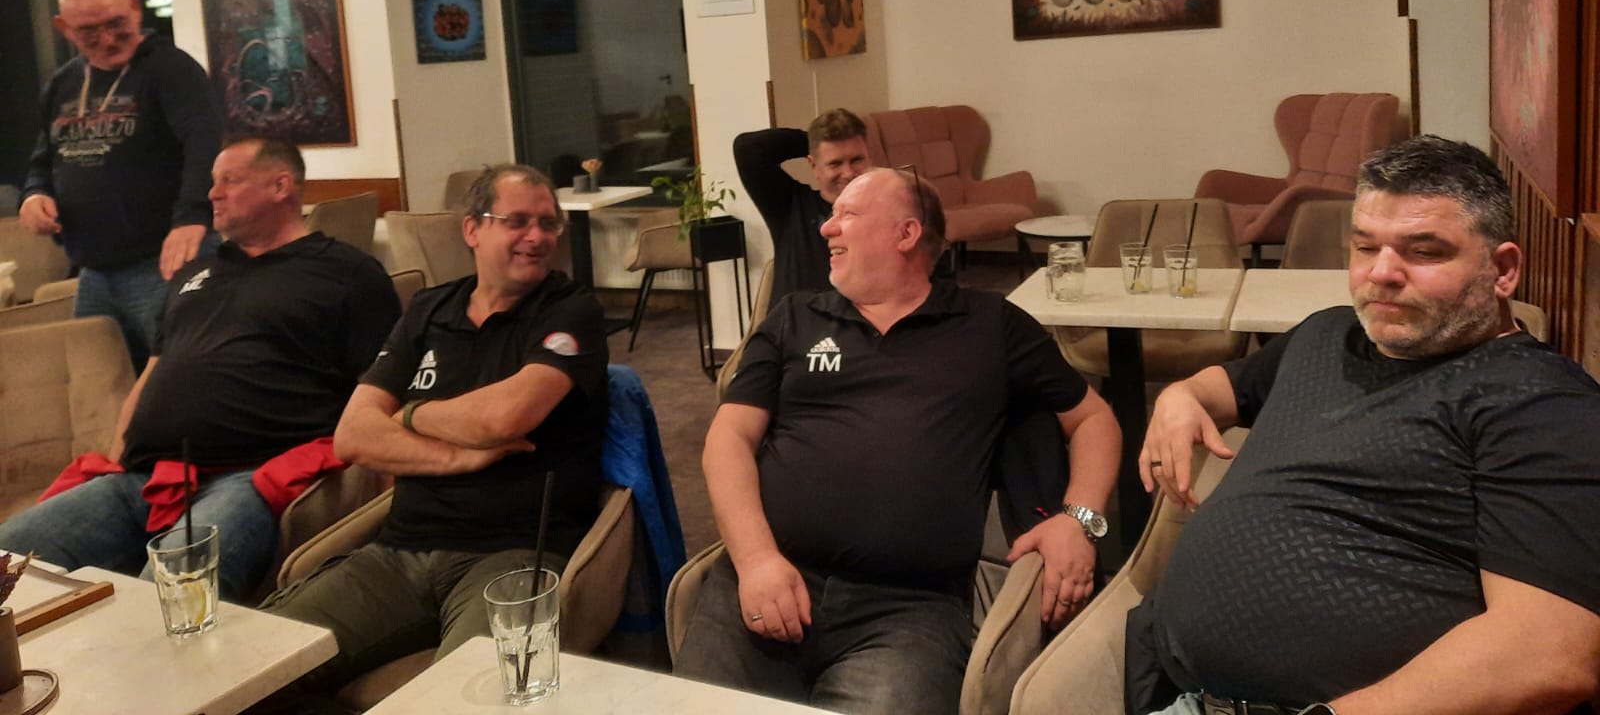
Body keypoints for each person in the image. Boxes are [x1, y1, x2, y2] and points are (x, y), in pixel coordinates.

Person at [1130, 136, 1600, 715]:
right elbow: (1221, 387)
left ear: (1502, 271)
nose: (1381, 273)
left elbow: (1548, 653)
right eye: (1365, 246)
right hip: (1177, 689)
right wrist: (1179, 396)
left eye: (1423, 252)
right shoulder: (1328, 334)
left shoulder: (1541, 404)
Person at [674, 167, 1120, 714]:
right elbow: (728, 438)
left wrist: (1079, 520)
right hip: (772, 574)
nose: (826, 228)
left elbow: (1094, 419)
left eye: (847, 214)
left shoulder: (990, 325)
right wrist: (756, 558)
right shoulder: (795, 317)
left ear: (906, 233)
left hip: (910, 610)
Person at [0, 137, 399, 599]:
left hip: (250, 475)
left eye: (229, 180)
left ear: (280, 186)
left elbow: (385, 390)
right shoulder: (196, 274)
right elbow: (154, 372)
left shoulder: (348, 273)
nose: (212, 193)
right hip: (143, 476)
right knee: (8, 557)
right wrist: (117, 459)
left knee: (170, 598)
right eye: (212, 181)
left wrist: (393, 512)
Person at [263, 164, 610, 691]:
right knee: (255, 663)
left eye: (548, 223)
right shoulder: (429, 309)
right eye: (517, 221)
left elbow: (506, 417)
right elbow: (353, 436)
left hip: (515, 554)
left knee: (474, 698)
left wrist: (410, 413)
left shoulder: (571, 309)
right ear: (473, 229)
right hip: (398, 551)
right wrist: (458, 455)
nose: (538, 237)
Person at [19, 0, 222, 370]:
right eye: (89, 31)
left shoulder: (171, 69)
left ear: (134, 8)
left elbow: (205, 145)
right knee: (98, 384)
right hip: (93, 272)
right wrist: (34, 193)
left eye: (116, 24)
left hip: (163, 261)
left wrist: (193, 216)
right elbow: (45, 158)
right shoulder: (62, 84)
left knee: (180, 380)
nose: (109, 39)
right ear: (64, 28)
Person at [732, 108, 871, 305]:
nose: (848, 173)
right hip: (794, 322)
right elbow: (748, 148)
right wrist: (815, 142)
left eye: (856, 160)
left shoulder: (887, 209)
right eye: (835, 163)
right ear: (814, 166)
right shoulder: (790, 206)